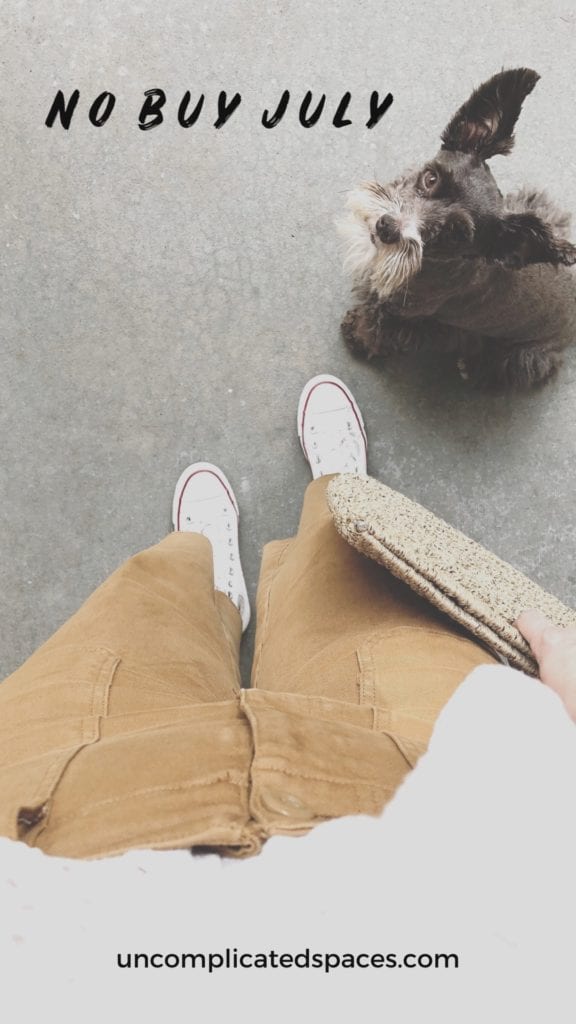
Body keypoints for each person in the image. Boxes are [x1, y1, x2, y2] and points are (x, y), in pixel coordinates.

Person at [0, 374, 574, 862]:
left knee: (132, 622)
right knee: (364, 610)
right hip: (420, 805)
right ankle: (336, 500)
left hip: (67, 824)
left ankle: (207, 586)